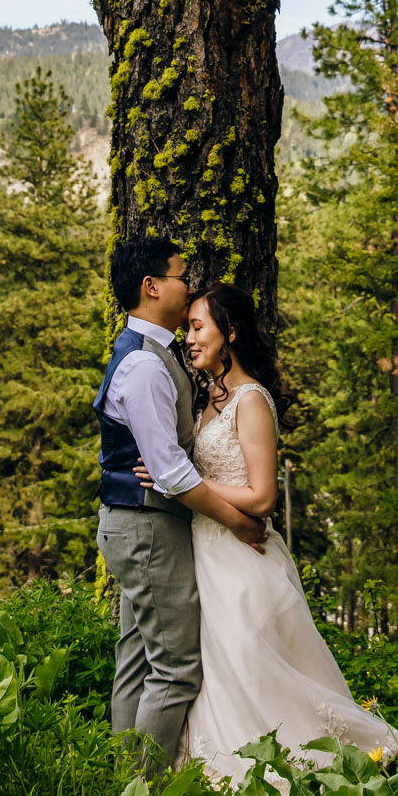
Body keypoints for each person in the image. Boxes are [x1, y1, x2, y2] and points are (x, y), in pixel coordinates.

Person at [139, 282, 398, 783]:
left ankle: (297, 771)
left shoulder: (252, 400)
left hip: (242, 562)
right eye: (189, 327)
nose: (189, 337)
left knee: (249, 668)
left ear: (231, 333)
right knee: (216, 674)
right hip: (205, 552)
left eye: (199, 327)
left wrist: (181, 481)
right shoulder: (207, 402)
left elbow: (262, 497)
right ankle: (219, 779)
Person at [93, 235, 268, 768]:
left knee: (138, 657)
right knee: (175, 667)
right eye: (180, 275)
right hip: (147, 527)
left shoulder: (152, 356)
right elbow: (169, 472)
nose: (187, 284)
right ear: (151, 287)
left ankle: (122, 782)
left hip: (135, 522)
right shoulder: (145, 365)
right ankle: (138, 792)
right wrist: (238, 522)